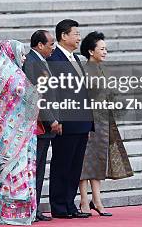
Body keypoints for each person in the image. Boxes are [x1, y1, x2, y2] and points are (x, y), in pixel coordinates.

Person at [0, 40, 40, 225]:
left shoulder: (7, 73)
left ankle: (11, 212)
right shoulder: (10, 74)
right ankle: (8, 212)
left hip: (16, 134)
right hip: (9, 136)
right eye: (21, 53)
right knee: (13, 171)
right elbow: (29, 95)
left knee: (16, 171)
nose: (24, 57)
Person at [78, 31, 134, 217]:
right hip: (88, 121)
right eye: (102, 49)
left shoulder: (103, 69)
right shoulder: (83, 70)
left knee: (99, 161)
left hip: (103, 123)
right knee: (85, 161)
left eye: (106, 49)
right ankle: (84, 201)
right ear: (90, 51)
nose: (105, 52)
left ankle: (97, 200)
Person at [46, 19, 93, 219]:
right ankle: (59, 206)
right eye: (75, 34)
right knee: (62, 165)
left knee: (74, 167)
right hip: (65, 123)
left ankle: (70, 204)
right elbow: (53, 93)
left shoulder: (76, 59)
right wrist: (56, 120)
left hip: (81, 122)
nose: (79, 38)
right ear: (63, 36)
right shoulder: (54, 59)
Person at [22, 30, 60, 222]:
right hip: (39, 126)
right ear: (39, 45)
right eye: (51, 44)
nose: (53, 47)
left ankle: (34, 208)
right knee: (35, 169)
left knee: (38, 169)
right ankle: (32, 209)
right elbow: (35, 96)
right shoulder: (31, 62)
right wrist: (50, 119)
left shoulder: (40, 60)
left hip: (43, 125)